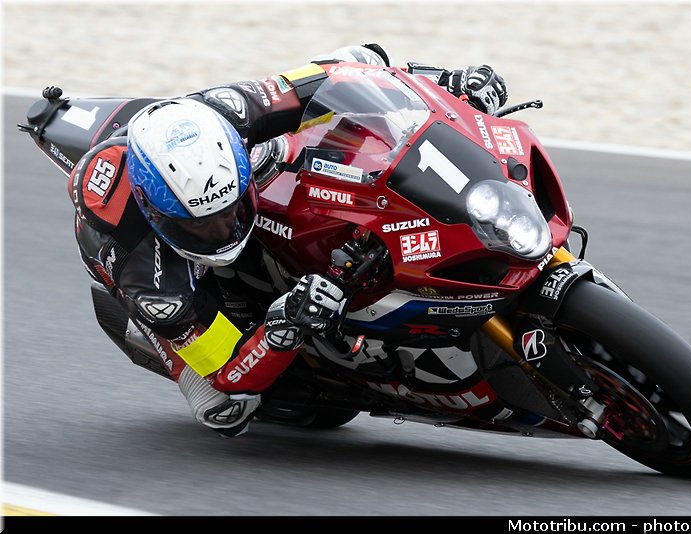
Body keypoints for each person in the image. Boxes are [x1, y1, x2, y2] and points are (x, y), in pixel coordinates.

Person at [69, 44, 508, 437]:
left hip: (185, 145)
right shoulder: (151, 279)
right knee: (223, 409)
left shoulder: (232, 109)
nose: (224, 231)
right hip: (152, 276)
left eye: (230, 212)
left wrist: (446, 82)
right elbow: (228, 373)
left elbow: (348, 70)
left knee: (355, 66)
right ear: (158, 213)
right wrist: (284, 327)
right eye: (203, 226)